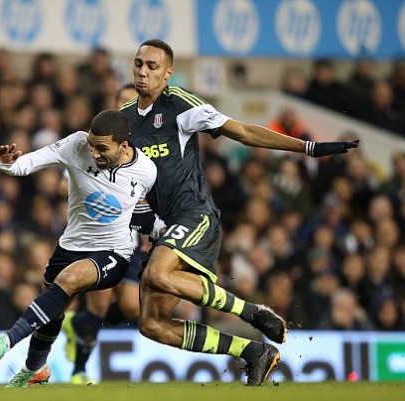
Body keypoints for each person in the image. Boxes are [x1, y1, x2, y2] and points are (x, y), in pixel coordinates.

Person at [120, 39, 359, 386]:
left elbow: (245, 131)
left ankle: (254, 313)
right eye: (139, 63)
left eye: (152, 66)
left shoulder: (181, 105)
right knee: (152, 324)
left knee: (155, 274)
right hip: (162, 228)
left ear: (168, 72)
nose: (143, 71)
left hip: (195, 215)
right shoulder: (125, 118)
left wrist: (307, 148)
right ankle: (253, 353)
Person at [0, 109, 158, 387]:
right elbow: (33, 161)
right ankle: (35, 370)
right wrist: (8, 165)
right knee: (53, 311)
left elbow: (145, 209)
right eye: (92, 145)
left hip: (114, 252)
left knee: (68, 280)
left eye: (102, 148)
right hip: (69, 246)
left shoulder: (147, 170)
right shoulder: (76, 145)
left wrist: (154, 231)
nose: (94, 153)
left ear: (124, 146)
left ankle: (7, 340)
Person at [61, 84, 148, 385]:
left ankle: (78, 323)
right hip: (100, 236)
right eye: (121, 101)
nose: (126, 106)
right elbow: (66, 182)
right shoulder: (95, 146)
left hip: (132, 239)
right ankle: (79, 369)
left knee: (130, 306)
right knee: (99, 303)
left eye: (131, 102)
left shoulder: (145, 146)